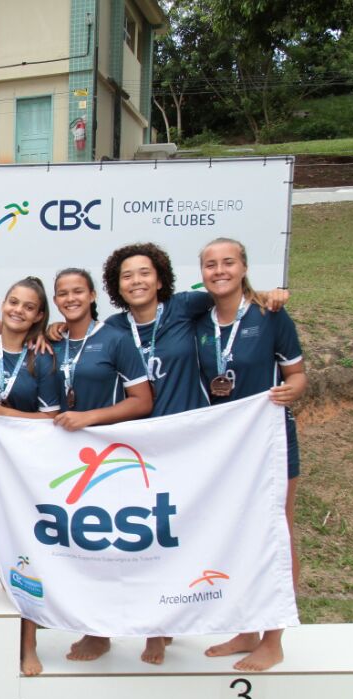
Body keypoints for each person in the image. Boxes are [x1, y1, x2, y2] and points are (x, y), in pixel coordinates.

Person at [99, 242, 288, 665]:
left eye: (144, 272)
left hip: (197, 447)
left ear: (161, 278)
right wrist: (55, 331)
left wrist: (270, 295)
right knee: (155, 542)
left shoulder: (185, 308)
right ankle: (158, 629)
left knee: (207, 537)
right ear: (116, 285)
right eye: (127, 276)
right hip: (145, 450)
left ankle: (253, 630)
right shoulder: (112, 328)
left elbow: (233, 297)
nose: (136, 281)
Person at [194, 237, 305, 672]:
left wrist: (289, 391)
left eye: (228, 262)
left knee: (276, 532)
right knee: (236, 536)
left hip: (270, 441)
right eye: (210, 264)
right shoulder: (199, 320)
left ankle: (273, 638)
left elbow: (297, 376)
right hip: (224, 449)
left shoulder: (271, 314)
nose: (219, 270)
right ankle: (246, 629)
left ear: (243, 267)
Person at [50, 267, 154, 662]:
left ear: (93, 295)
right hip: (62, 458)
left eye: (78, 291)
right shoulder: (52, 341)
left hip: (107, 456)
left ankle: (116, 631)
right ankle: (92, 627)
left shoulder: (116, 339)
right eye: (62, 293)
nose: (70, 298)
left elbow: (142, 401)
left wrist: (88, 418)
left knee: (109, 547)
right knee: (75, 546)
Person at [0, 276, 61, 675]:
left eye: (28, 307)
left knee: (28, 553)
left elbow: (52, 419)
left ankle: (29, 643)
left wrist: (10, 415)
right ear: (3, 303)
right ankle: (5, 631)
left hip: (29, 470)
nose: (18, 311)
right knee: (5, 551)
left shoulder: (42, 357)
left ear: (39, 315)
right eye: (13, 302)